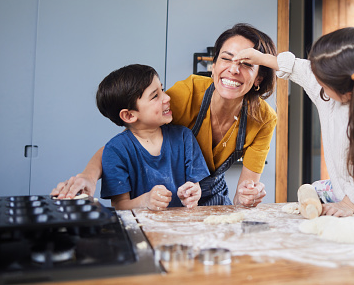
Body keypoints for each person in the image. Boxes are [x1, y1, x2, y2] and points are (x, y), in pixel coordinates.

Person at [51, 23, 277, 207]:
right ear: (214, 65)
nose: (234, 69)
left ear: (259, 78)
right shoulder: (187, 94)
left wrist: (248, 198)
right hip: (167, 202)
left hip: (212, 198)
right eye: (226, 58)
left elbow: (241, 197)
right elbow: (131, 137)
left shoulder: (264, 120)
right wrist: (88, 177)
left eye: (247, 63)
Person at [234, 26, 354, 217]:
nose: (316, 81)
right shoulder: (339, 89)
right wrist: (262, 58)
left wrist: (348, 204)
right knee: (314, 188)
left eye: (321, 80)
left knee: (352, 194)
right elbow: (303, 70)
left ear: (346, 91)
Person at [95, 64, 209, 210]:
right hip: (140, 230)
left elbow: (195, 186)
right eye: (155, 96)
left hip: (181, 227)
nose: (167, 97)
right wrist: (145, 201)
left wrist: (193, 193)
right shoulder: (115, 150)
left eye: (162, 89)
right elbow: (120, 205)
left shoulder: (184, 137)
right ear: (129, 115)